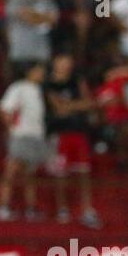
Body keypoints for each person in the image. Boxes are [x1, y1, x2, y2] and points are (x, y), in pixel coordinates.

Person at [44, 53, 99, 227]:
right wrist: (76, 105)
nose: (65, 64)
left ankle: (87, 209)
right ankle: (62, 208)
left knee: (83, 172)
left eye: (68, 60)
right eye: (62, 60)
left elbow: (89, 102)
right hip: (59, 133)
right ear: (55, 62)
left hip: (78, 132)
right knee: (60, 173)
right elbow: (58, 108)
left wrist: (70, 106)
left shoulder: (77, 80)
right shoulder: (48, 83)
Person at [0, 61, 46, 222]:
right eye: (39, 70)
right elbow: (4, 109)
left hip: (36, 136)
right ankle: (3, 208)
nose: (42, 73)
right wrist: (12, 129)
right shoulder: (19, 87)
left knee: (30, 174)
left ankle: (31, 209)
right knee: (11, 171)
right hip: (21, 135)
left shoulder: (40, 90)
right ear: (30, 72)